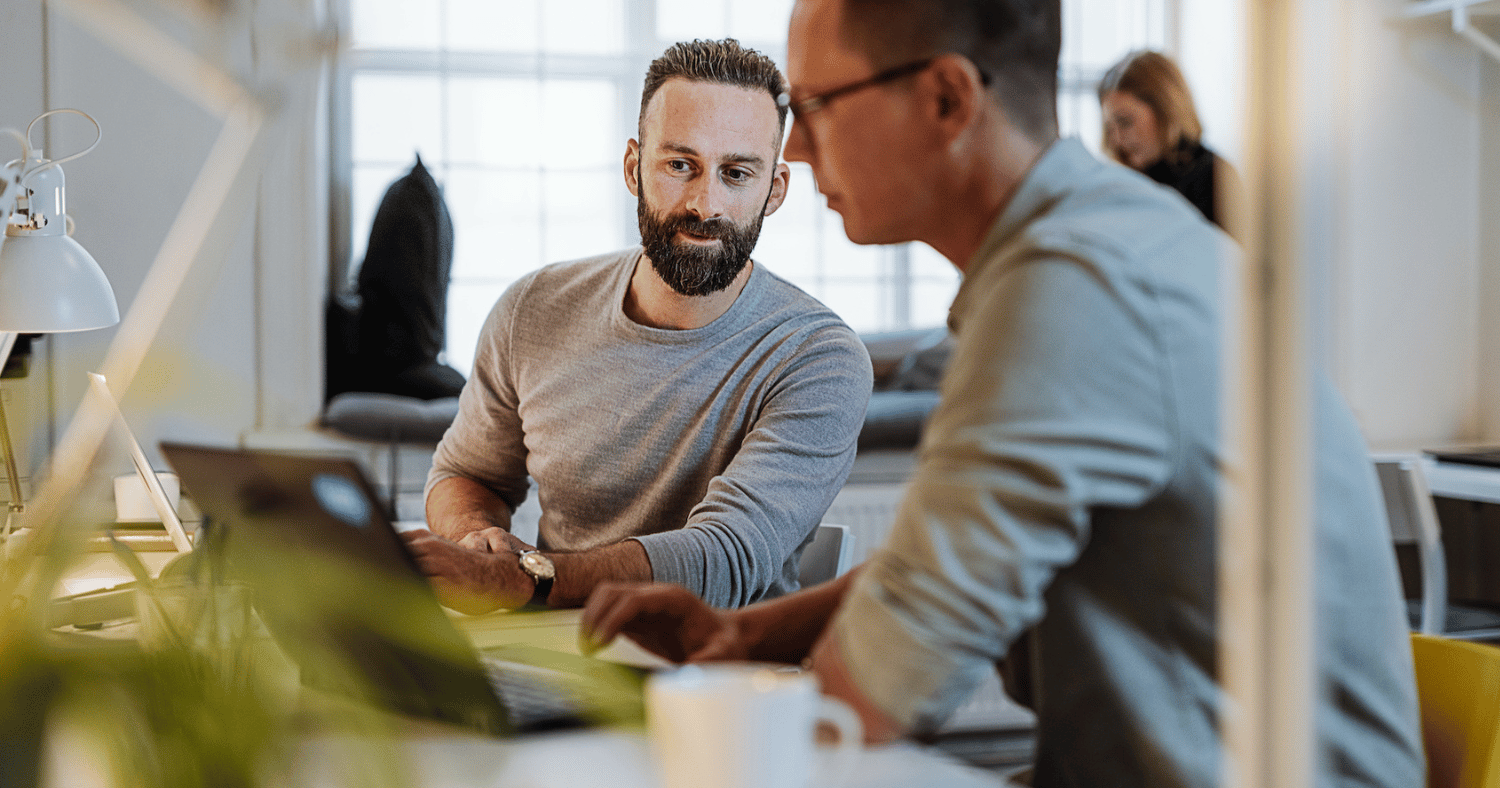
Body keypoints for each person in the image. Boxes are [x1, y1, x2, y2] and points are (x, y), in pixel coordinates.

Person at [581, 2, 1423, 787]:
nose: (794, 151)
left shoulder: (1072, 289)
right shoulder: (1098, 238)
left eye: (819, 104)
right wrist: (743, 635)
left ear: (947, 98)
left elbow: (865, 700)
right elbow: (935, 568)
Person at [401, 39, 872, 614]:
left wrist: (523, 579)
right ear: (633, 168)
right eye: (680, 165)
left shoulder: (819, 358)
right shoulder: (532, 309)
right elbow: (467, 474)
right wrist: (477, 538)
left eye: (737, 173)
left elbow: (723, 558)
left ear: (773, 190)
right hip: (551, 651)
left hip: (721, 673)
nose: (706, 204)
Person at [1098, 49, 1242, 236]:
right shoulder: (1121, 182)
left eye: (1125, 122)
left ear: (1165, 111)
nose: (1116, 139)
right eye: (1109, 127)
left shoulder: (1216, 179)